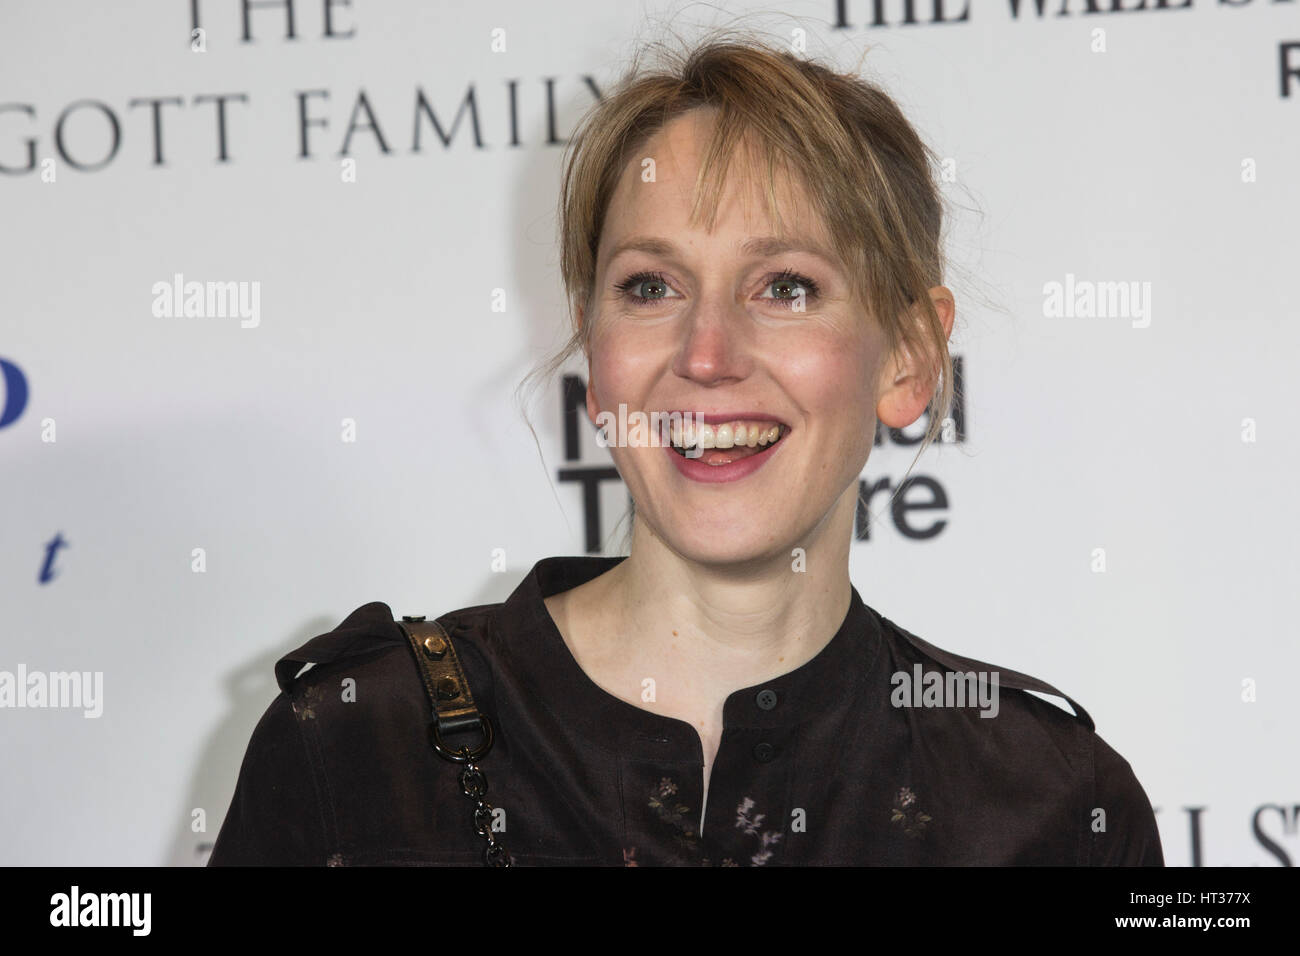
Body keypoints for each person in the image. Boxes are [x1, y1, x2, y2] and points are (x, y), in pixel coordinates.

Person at [209, 32, 1163, 867]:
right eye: (651, 287)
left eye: (785, 286)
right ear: (595, 346)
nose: (707, 357)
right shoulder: (352, 747)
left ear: (908, 357)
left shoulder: (1052, 804)